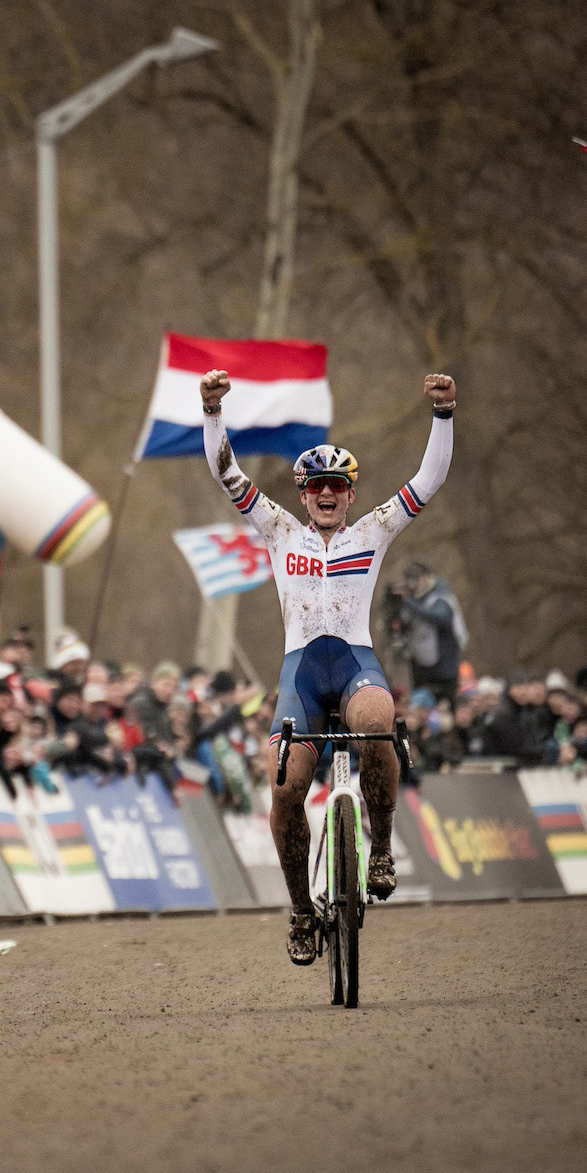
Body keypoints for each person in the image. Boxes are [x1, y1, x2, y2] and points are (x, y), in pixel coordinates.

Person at [200, 365, 456, 965]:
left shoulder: (374, 530)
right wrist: (213, 412)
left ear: (350, 493)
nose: (325, 493)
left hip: (354, 665)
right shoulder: (278, 529)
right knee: (285, 787)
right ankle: (299, 910)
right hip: (299, 679)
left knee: (377, 718)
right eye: (315, 486)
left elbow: (430, 476)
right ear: (302, 494)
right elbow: (226, 473)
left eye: (336, 486)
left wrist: (443, 415)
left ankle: (383, 848)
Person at [391, 559, 466, 700]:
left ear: (425, 578)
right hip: (422, 667)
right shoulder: (415, 601)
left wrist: (408, 602)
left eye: (415, 579)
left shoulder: (441, 597)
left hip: (445, 668)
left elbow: (440, 619)